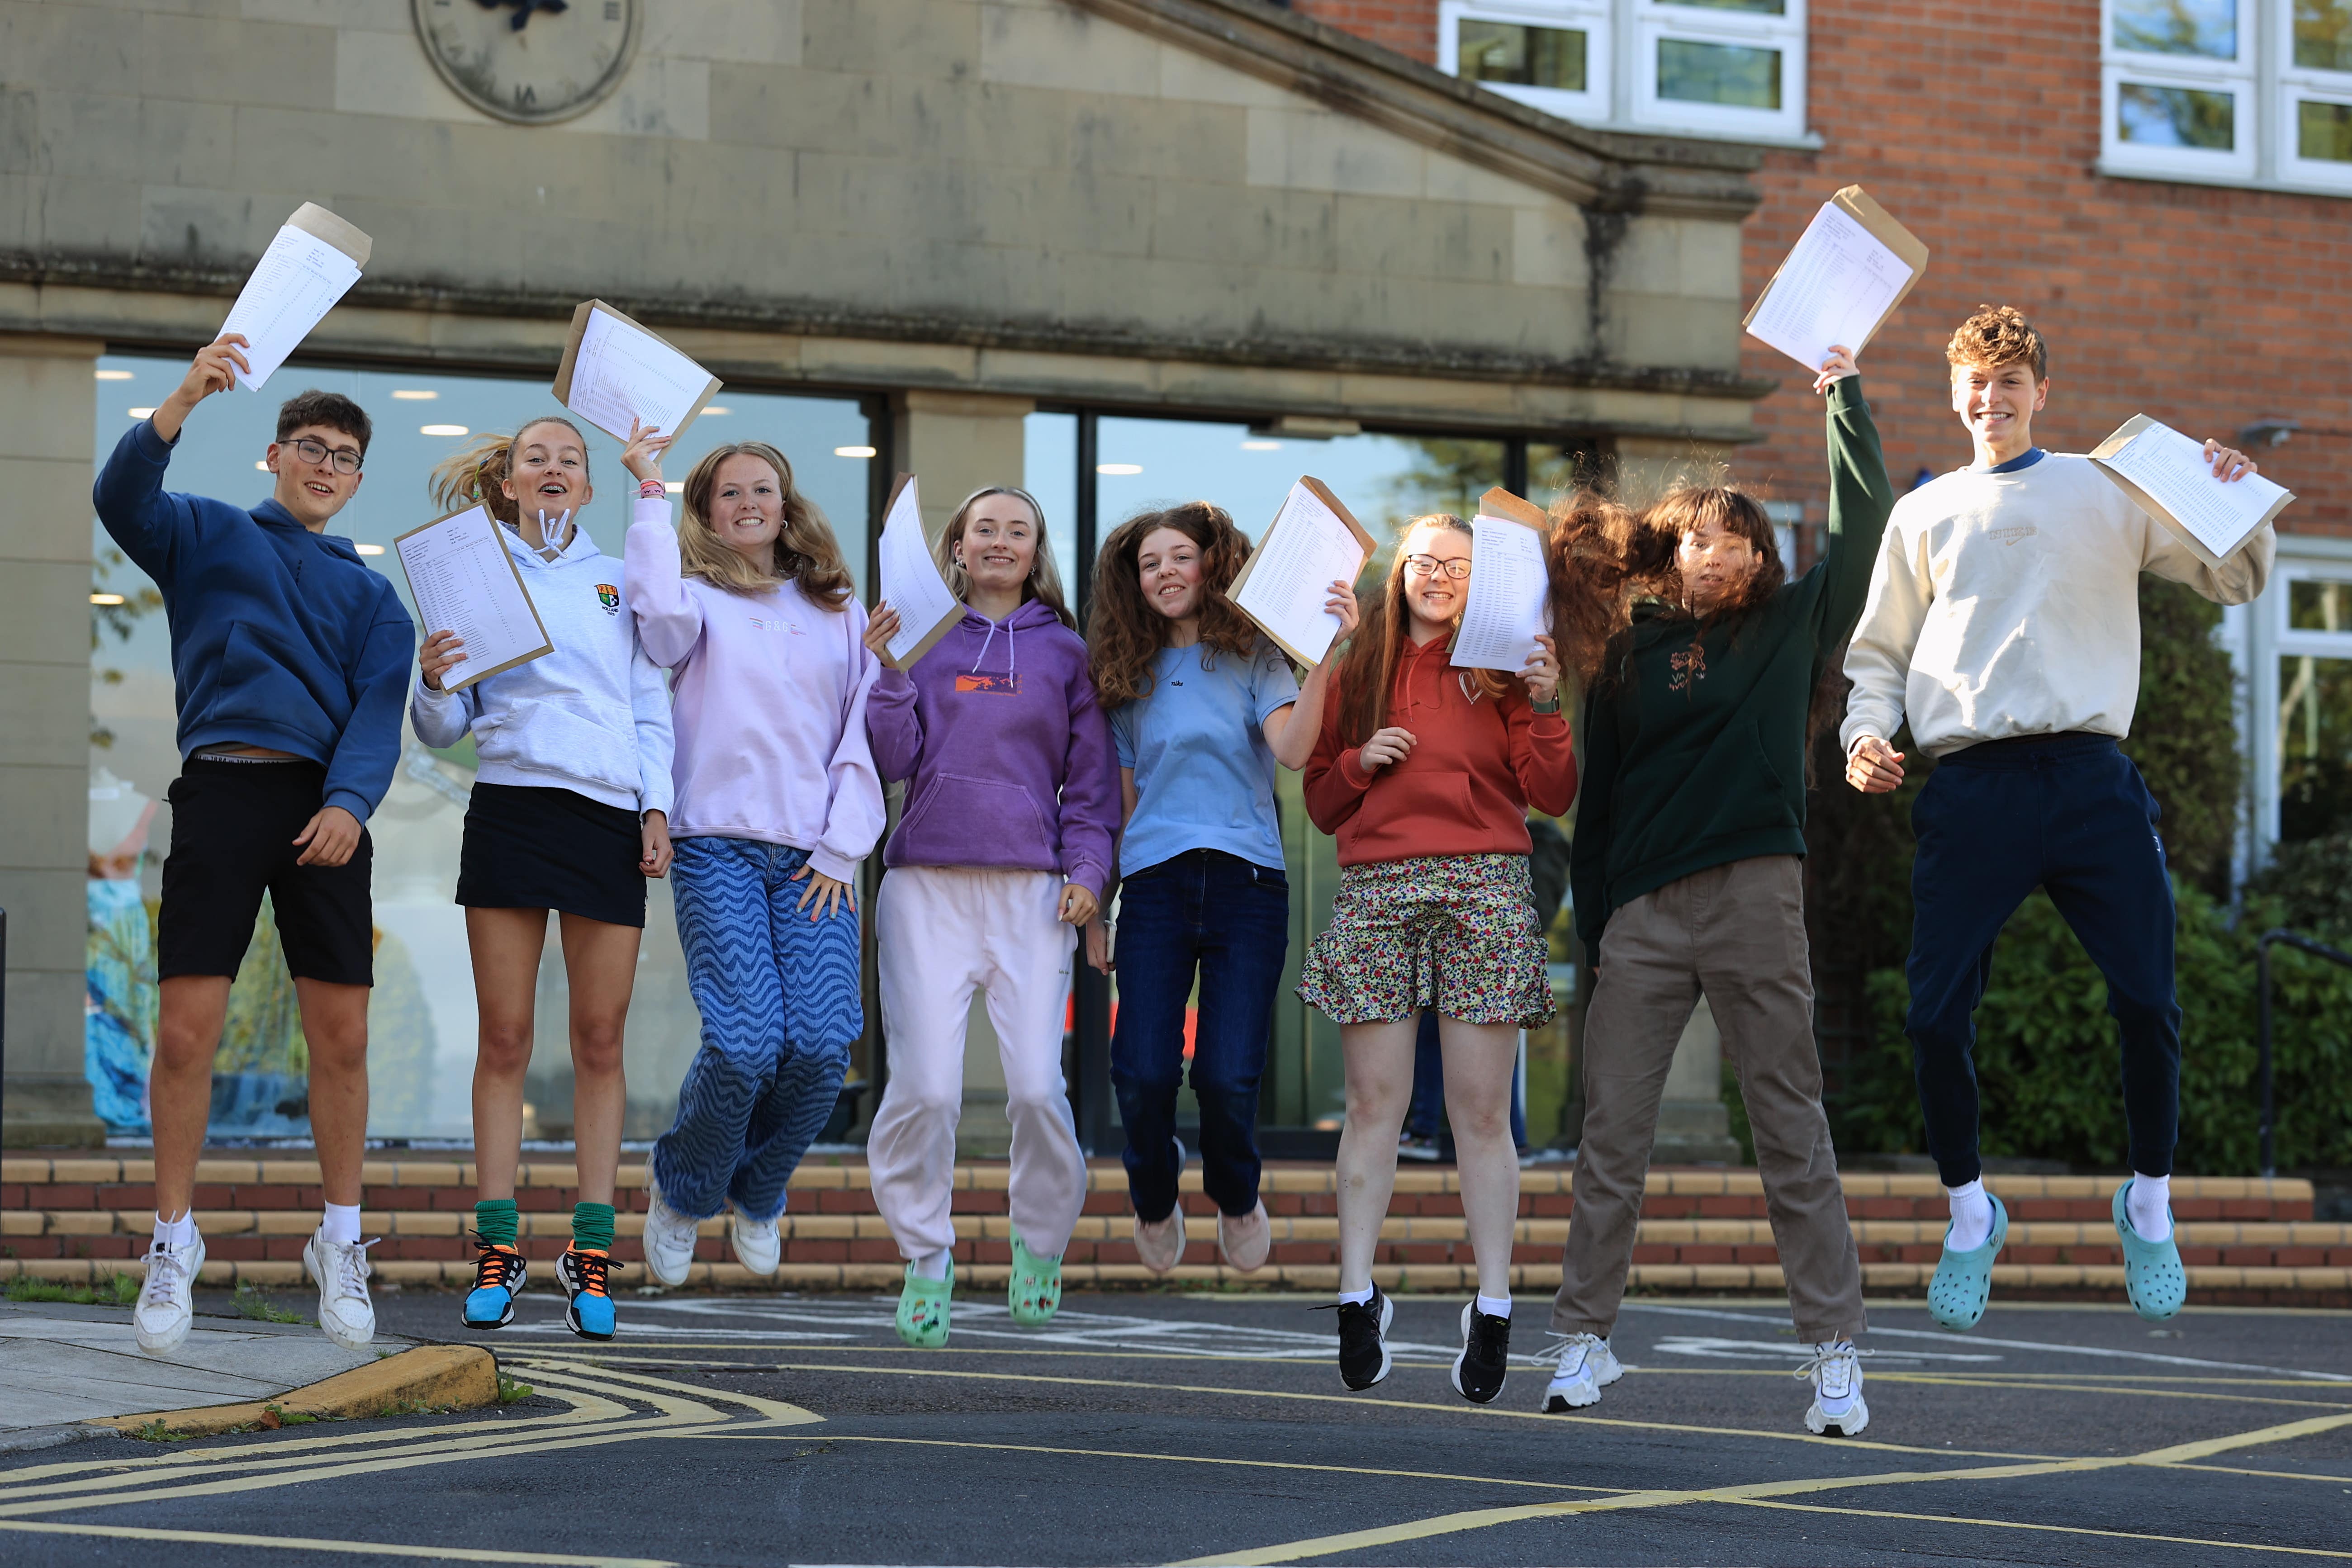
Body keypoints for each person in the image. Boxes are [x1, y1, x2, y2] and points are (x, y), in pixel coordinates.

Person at [1842, 306, 2272, 1330]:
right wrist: (1863, 737)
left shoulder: (2104, 484)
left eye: (2009, 385)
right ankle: (1967, 1213)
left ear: (2041, 392)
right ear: (1953, 395)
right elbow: (1876, 658)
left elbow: (2233, 577)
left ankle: (2147, 1203)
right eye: (1973, 386)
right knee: (1931, 1015)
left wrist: (2233, 496)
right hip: (1970, 785)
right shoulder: (1924, 512)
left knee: (2146, 1001)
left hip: (2089, 780)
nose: (1990, 401)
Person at [1545, 346, 1889, 1434]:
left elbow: (1866, 519)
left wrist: (1840, 396)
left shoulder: (1788, 632)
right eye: (1700, 535)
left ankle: (1834, 1356)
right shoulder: (1625, 661)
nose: (1719, 551)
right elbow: (1593, 809)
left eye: (1738, 538)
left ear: (1759, 557)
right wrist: (1597, 930)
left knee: (1789, 1124)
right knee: (1613, 1139)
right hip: (1642, 918)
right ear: (1669, 549)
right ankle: (1582, 1343)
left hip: (1752, 897)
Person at [95, 335, 413, 1358]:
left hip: (327, 810)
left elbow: (377, 714)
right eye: (310, 445)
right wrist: (187, 394)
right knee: (186, 1033)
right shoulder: (208, 535)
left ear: (359, 479)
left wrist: (354, 804)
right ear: (273, 457)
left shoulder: (375, 601)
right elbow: (120, 497)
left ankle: (340, 1240)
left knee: (344, 1040)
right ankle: (173, 1241)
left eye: (345, 456)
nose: (327, 465)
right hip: (224, 792)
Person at [410, 417, 676, 1341]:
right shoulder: (474, 575)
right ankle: (496, 1248)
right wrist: (432, 679)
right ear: (512, 482)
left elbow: (650, 703)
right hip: (513, 804)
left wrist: (656, 806)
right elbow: (443, 730)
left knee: (600, 1042)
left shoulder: (617, 578)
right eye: (537, 459)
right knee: (506, 1038)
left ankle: (591, 1256)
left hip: (606, 812)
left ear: (588, 488)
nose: (553, 469)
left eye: (569, 460)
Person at [1298, 512, 1573, 1404]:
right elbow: (1319, 802)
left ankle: (1492, 1304)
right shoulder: (1359, 666)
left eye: (1457, 564)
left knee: (1478, 1110)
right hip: (1378, 883)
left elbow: (1552, 793)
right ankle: (1354, 1294)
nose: (1437, 575)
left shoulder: (1503, 667)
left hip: (1485, 882)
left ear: (1479, 579)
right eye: (1423, 560)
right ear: (1398, 572)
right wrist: (1357, 763)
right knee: (1374, 1101)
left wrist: (1541, 702)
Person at [625, 436, 883, 1290]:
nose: (747, 503)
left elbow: (860, 735)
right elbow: (655, 629)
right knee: (743, 1047)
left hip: (816, 859)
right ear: (706, 511)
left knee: (819, 1048)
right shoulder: (694, 601)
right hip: (716, 848)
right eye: (728, 493)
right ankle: (684, 1187)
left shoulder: (837, 609)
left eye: (762, 490)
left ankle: (760, 1187)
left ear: (785, 502)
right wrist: (650, 495)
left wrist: (844, 848)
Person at [863, 486, 1119, 1347]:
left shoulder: (1068, 653)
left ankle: (1038, 1246)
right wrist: (891, 673)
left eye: (1019, 530)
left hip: (1031, 894)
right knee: (927, 1089)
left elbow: (1090, 788)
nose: (1001, 542)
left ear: (1036, 548)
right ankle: (926, 1257)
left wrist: (1089, 873)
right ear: (959, 547)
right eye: (986, 529)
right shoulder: (923, 640)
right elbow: (891, 759)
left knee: (1039, 1090)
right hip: (925, 887)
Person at [1081, 502, 1356, 1275]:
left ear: (1212, 566)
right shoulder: (1125, 679)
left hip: (1248, 887)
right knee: (1140, 1074)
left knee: (1227, 1076)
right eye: (1149, 563)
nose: (1166, 572)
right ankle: (1155, 1198)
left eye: (1180, 556)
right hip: (1158, 890)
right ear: (1133, 582)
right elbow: (1121, 811)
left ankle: (1237, 1198)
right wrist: (1098, 907)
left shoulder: (1257, 660)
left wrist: (1328, 653)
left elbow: (1296, 754)